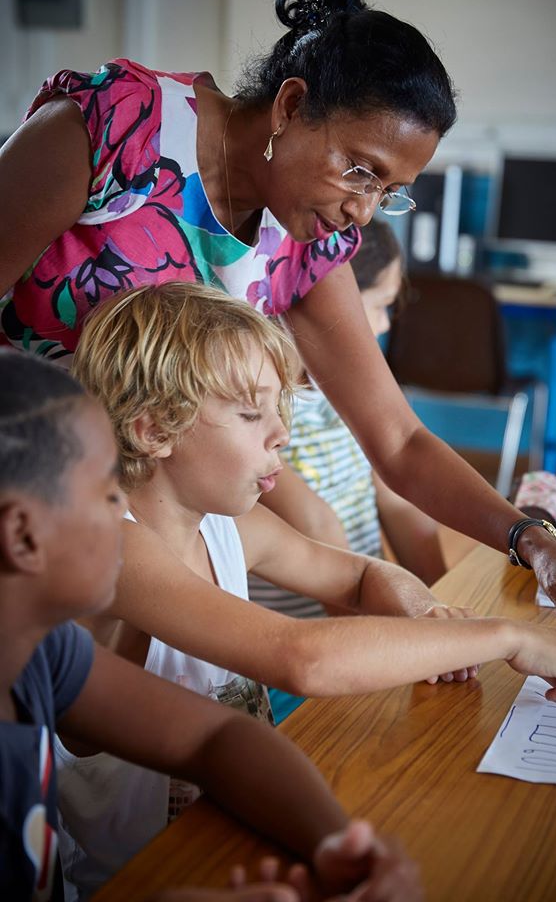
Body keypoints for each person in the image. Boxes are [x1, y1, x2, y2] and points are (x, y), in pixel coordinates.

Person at [0, 0, 556, 641]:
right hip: (29, 500)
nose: (364, 210)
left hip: (152, 525)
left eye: (388, 192)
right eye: (361, 170)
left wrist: (535, 542)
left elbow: (398, 438)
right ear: (291, 106)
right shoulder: (118, 129)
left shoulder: (306, 238)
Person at [0, 348, 424, 902]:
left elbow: (217, 735)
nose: (122, 510)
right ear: (24, 537)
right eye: (106, 490)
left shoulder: (44, 655)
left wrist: (337, 845)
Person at [251, 218, 447, 627]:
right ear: (336, 297)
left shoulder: (350, 389)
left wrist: (443, 602)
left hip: (370, 613)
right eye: (381, 304)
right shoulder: (260, 405)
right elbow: (313, 522)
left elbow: (396, 499)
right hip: (308, 634)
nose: (386, 323)